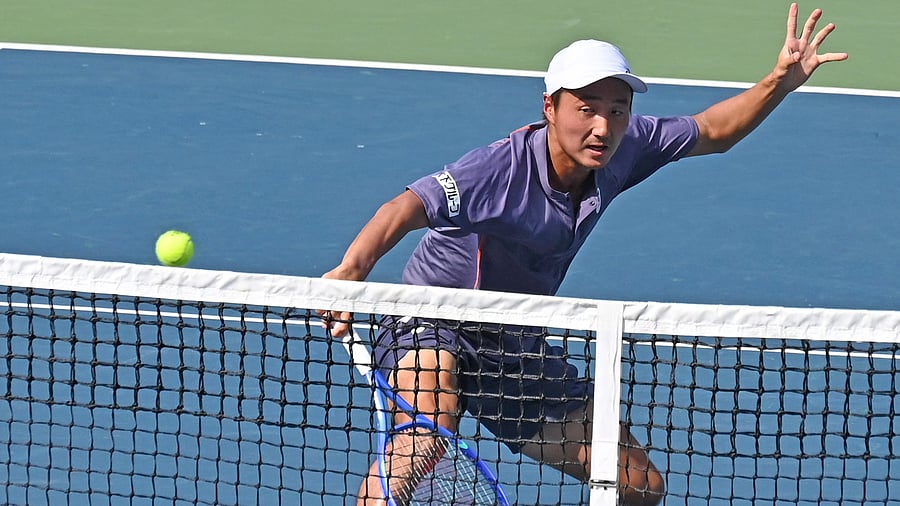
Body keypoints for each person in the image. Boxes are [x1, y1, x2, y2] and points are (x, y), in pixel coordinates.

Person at [321, 4, 847, 505]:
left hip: (513, 340)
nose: (602, 126)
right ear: (549, 108)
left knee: (638, 485)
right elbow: (406, 206)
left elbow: (713, 131)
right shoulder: (498, 171)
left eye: (617, 110)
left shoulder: (626, 145)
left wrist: (779, 81)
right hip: (433, 318)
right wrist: (352, 269)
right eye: (586, 109)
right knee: (430, 433)